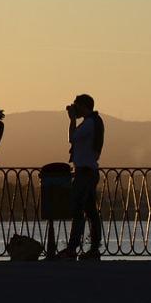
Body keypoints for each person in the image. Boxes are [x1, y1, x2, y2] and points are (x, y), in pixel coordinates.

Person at [55, 94, 105, 261]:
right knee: (91, 212)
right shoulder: (96, 122)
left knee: (77, 210)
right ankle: (94, 250)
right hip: (90, 172)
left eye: (76, 106)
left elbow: (73, 138)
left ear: (84, 105)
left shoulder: (90, 122)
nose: (74, 109)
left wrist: (71, 120)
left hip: (84, 173)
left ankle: (72, 249)